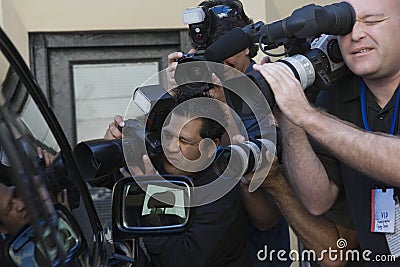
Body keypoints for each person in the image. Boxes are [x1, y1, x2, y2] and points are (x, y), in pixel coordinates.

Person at [253, 0, 400, 264]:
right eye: (345, 26)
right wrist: (289, 113)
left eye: (372, 22)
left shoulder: (319, 116)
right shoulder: (335, 96)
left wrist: (309, 117)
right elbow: (317, 200)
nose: (355, 35)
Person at [167, 1, 290, 265]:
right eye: (209, 52)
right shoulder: (197, 91)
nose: (219, 61)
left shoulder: (269, 90)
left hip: (258, 252)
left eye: (225, 48)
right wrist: (170, 100)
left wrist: (224, 112)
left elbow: (266, 208)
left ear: (246, 44)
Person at [105, 98, 250, 267]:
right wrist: (111, 148)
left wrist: (152, 195)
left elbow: (180, 260)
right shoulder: (154, 158)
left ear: (210, 148)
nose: (171, 147)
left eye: (184, 141)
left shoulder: (219, 190)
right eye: (168, 135)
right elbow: (99, 178)